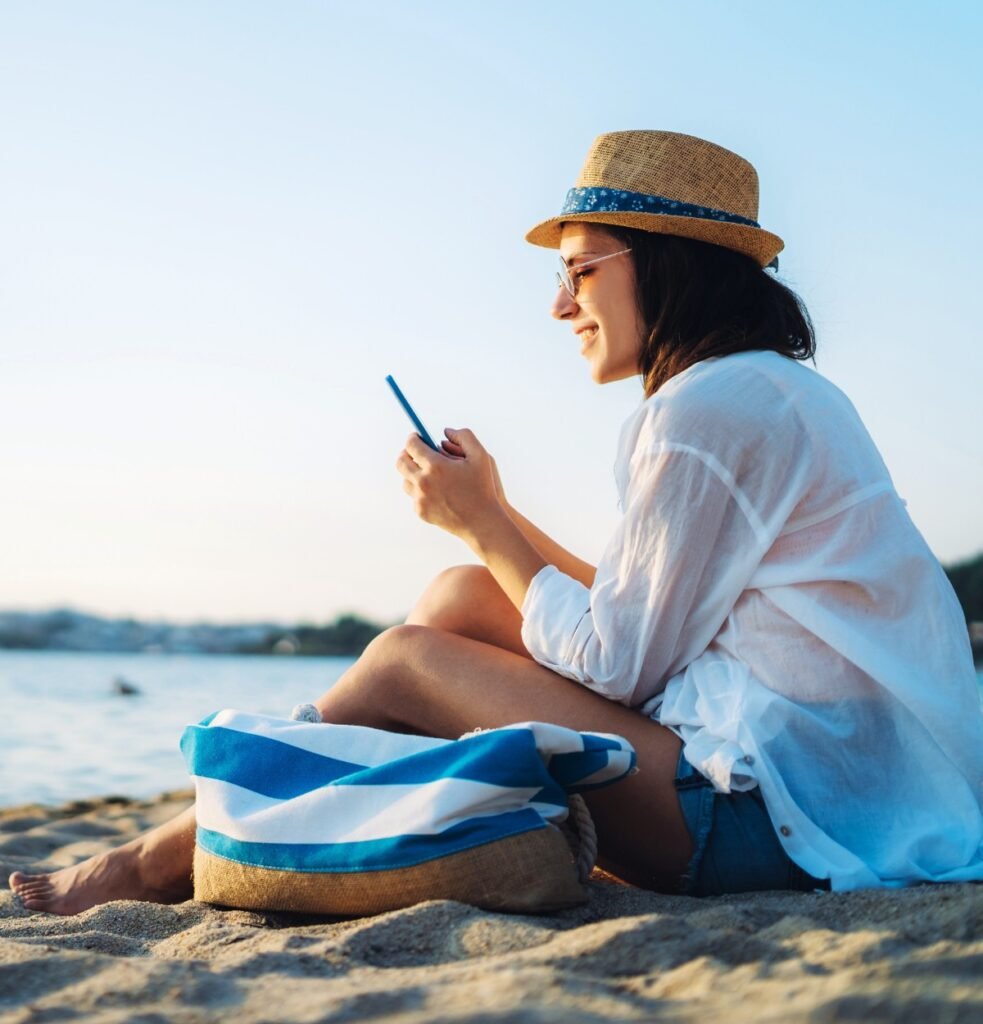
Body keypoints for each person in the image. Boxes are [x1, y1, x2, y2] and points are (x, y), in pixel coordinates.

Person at [10, 130, 982, 915]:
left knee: (401, 659)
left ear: (666, 266)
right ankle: (311, 809)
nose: (561, 303)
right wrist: (491, 523)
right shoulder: (767, 393)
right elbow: (652, 619)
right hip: (844, 789)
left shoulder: (699, 415)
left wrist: (483, 523)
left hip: (779, 823)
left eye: (581, 271)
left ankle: (155, 858)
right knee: (459, 598)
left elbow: (620, 664)